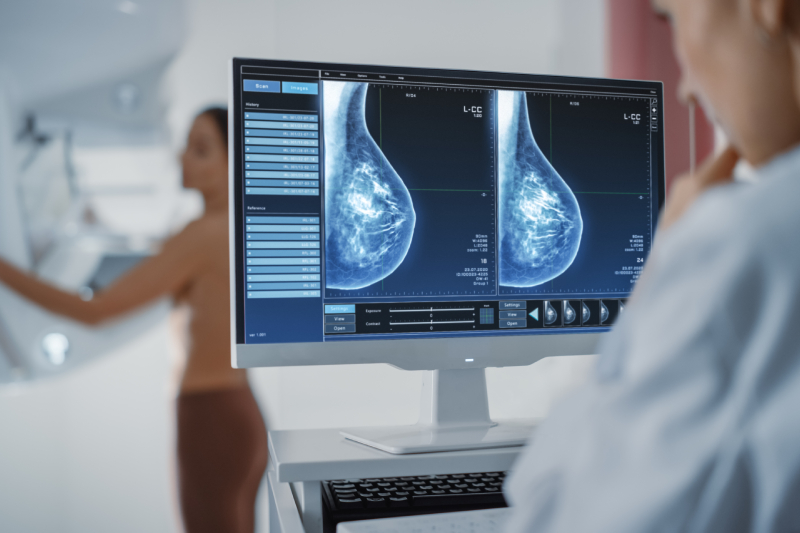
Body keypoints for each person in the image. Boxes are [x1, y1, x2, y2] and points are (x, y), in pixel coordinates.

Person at [504, 0, 800, 532]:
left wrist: (659, 279)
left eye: (673, 19)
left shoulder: (744, 246)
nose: (685, 88)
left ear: (767, 9)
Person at [0, 107, 267, 533]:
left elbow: (96, 311)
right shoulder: (232, 229)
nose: (183, 158)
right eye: (186, 147)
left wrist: (4, 269)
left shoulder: (202, 235)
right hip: (242, 412)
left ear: (234, 163)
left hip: (210, 416)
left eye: (201, 149)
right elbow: (160, 259)